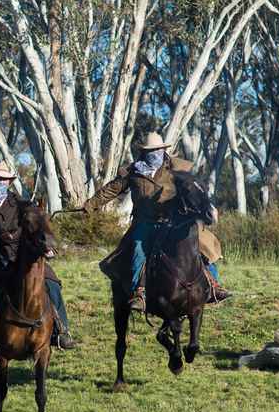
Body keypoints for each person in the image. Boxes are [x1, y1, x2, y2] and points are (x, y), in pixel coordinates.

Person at [81, 131, 229, 311]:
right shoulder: (133, 171)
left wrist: (209, 206)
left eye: (159, 149)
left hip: (173, 220)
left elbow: (194, 189)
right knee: (137, 248)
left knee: (201, 244)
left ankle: (214, 286)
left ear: (163, 149)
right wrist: (90, 205)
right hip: (145, 221)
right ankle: (139, 292)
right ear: (144, 152)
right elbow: (111, 190)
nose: (156, 153)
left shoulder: (177, 168)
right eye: (152, 150)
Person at [0, 162, 76, 364]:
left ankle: (62, 330)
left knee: (51, 282)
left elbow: (32, 214)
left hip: (20, 256)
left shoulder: (18, 202)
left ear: (9, 181)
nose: (1, 182)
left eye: (4, 179)